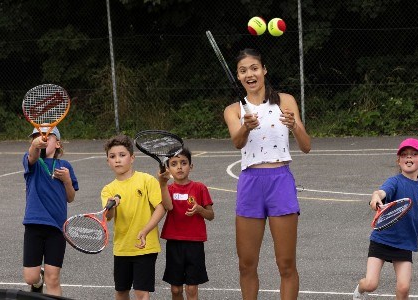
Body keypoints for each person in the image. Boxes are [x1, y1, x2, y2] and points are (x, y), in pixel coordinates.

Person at [222, 48, 311, 300]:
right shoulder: (234, 110)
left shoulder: (285, 100)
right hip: (250, 183)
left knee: (286, 263)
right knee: (246, 264)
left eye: (254, 68)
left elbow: (306, 146)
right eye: (243, 71)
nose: (249, 74)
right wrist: (245, 128)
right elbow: (237, 143)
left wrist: (294, 126)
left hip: (280, 181)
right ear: (238, 78)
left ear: (264, 71)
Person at [353, 138, 418, 300]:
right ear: (398, 160)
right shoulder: (394, 181)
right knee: (371, 284)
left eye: (414, 154)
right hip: (382, 239)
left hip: (405, 243)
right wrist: (376, 198)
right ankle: (360, 289)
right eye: (404, 155)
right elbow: (380, 192)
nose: (409, 158)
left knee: (403, 288)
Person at [101, 135, 166, 300]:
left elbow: (161, 208)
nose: (117, 160)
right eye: (112, 156)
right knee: (121, 291)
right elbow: (108, 216)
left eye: (122, 155)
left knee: (141, 291)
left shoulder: (146, 180)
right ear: (108, 161)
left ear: (132, 158)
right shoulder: (108, 190)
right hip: (122, 248)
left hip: (145, 246)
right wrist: (111, 205)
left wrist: (145, 231)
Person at [21, 125, 78, 296]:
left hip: (57, 228)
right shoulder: (32, 162)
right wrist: (35, 146)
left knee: (53, 278)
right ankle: (38, 282)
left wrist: (67, 180)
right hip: (34, 225)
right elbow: (32, 155)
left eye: (48, 136)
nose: (42, 138)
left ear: (58, 143)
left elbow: (70, 197)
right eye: (38, 136)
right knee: (30, 278)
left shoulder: (64, 166)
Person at [156, 148, 215, 300]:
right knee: (175, 290)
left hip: (194, 244)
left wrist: (200, 209)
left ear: (191, 166)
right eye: (174, 164)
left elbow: (211, 215)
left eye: (184, 163)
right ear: (168, 169)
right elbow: (168, 207)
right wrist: (162, 184)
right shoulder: (167, 189)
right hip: (174, 243)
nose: (180, 167)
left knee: (191, 289)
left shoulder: (200, 188)